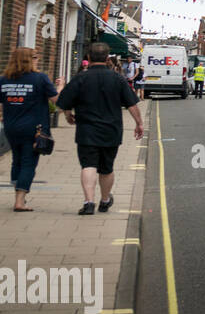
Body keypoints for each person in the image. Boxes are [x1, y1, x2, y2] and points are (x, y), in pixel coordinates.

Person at [56, 41, 144, 216]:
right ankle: (104, 201)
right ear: (107, 58)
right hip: (111, 130)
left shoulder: (81, 78)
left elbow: (64, 101)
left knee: (88, 165)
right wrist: (139, 123)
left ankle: (89, 202)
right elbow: (132, 104)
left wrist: (67, 115)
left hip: (86, 130)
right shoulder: (117, 79)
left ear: (88, 57)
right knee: (106, 168)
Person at [1, 48, 61, 212]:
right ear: (28, 59)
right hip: (33, 128)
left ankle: (18, 195)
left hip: (11, 127)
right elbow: (57, 101)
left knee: (17, 160)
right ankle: (20, 201)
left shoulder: (4, 80)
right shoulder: (40, 78)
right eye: (35, 57)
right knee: (28, 162)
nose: (38, 60)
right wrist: (60, 87)